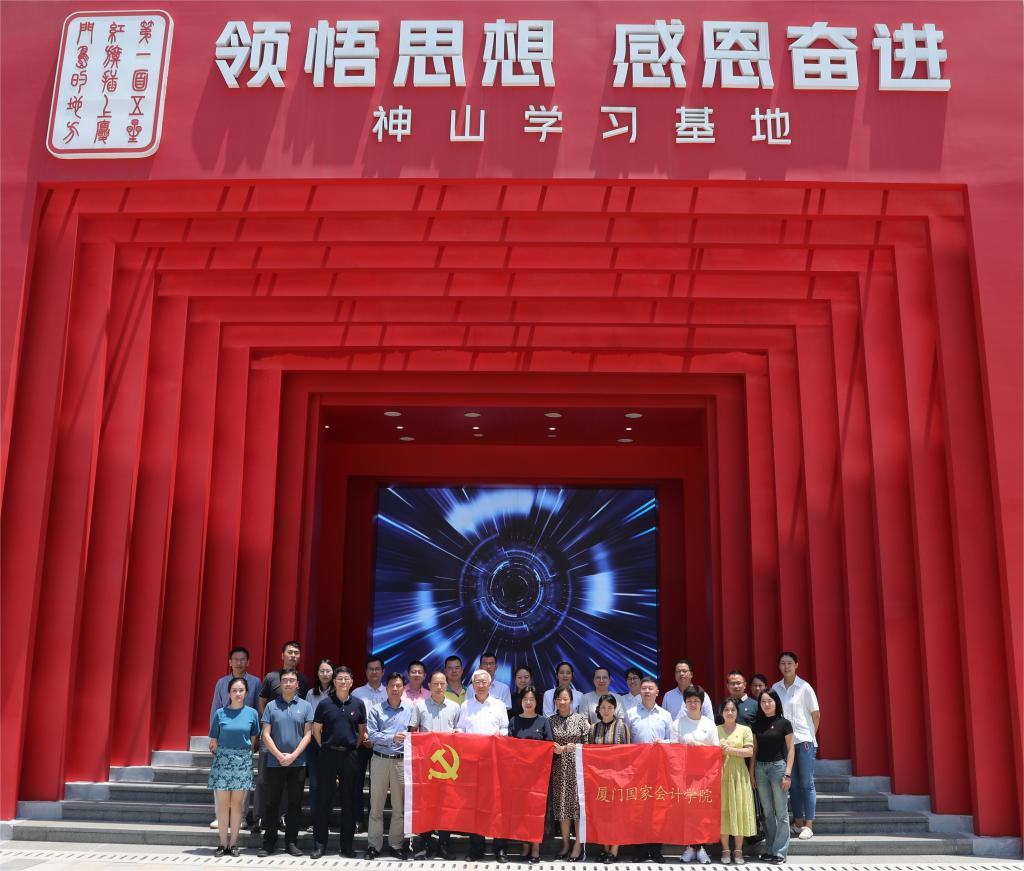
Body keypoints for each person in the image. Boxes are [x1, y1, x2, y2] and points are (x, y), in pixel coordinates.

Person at [311, 666, 366, 860]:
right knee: (323, 800)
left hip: (350, 755)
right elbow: (316, 730)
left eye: (346, 679)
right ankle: (319, 846)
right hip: (328, 754)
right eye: (339, 678)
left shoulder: (358, 704)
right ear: (334, 682)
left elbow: (361, 732)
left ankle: (347, 847)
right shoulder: (324, 704)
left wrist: (352, 748)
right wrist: (325, 747)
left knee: (348, 801)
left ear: (352, 682)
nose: (343, 682)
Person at [256, 641, 309, 838]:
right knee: (264, 779)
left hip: (293, 741)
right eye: (290, 652)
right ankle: (261, 817)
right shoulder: (271, 677)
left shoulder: (303, 680)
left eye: (296, 653)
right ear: (282, 655)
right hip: (270, 738)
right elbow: (262, 702)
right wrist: (270, 722)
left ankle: (284, 817)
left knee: (289, 783)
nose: (293, 655)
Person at [457, 669, 510, 862]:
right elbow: (461, 727)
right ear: (472, 685)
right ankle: (476, 848)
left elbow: (505, 728)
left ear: (490, 684)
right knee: (475, 805)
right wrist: (457, 732)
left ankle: (500, 848)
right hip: (473, 763)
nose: (480, 685)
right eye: (476, 682)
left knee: (498, 804)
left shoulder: (499, 705)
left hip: (495, 762)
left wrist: (500, 734)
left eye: (483, 682)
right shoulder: (466, 705)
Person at [409, 671, 461, 860]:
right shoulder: (420, 707)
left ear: (447, 685)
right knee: (426, 805)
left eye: (442, 684)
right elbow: (412, 733)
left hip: (448, 765)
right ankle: (424, 845)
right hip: (426, 765)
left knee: (446, 805)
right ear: (429, 686)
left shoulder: (455, 707)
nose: (439, 687)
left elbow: (461, 732)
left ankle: (444, 845)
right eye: (435, 684)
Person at [208, 646, 261, 832]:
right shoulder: (221, 683)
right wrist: (213, 737)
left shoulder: (255, 682)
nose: (239, 662)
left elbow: (257, 710)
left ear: (248, 662)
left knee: (242, 780)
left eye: (242, 659)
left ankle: (241, 817)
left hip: (244, 739)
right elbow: (215, 708)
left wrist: (256, 738)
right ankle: (220, 816)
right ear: (230, 662)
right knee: (221, 780)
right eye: (235, 659)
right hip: (224, 737)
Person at [365, 672, 415, 860]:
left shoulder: (410, 710)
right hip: (379, 759)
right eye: (392, 685)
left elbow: (414, 734)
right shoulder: (376, 710)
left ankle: (396, 845)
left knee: (399, 807)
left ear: (403, 688)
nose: (395, 689)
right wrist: (392, 737)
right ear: (386, 688)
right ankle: (374, 846)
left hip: (401, 761)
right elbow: (372, 735)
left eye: (398, 686)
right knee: (376, 805)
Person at [771, 652, 820, 841]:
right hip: (785, 742)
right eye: (783, 663)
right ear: (779, 666)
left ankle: (809, 825)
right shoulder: (775, 688)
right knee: (793, 783)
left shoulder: (805, 687)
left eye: (790, 663)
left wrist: (810, 737)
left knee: (807, 783)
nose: (786, 666)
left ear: (796, 665)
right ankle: (798, 822)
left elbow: (815, 714)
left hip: (804, 740)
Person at [626, 676, 673, 862]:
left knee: (657, 809)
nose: (646, 691)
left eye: (650, 688)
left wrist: (663, 743)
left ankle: (656, 850)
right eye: (644, 688)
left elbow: (673, 742)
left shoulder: (665, 715)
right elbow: (626, 742)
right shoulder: (630, 714)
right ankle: (639, 850)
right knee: (638, 809)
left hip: (659, 770)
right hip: (637, 769)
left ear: (657, 692)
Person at [674, 685, 718, 865]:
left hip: (705, 776)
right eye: (689, 701)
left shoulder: (709, 724)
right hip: (685, 775)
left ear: (702, 703)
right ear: (685, 703)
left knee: (701, 813)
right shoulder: (678, 723)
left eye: (696, 701)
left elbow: (716, 750)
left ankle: (700, 848)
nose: (693, 704)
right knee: (687, 813)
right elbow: (673, 750)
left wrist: (698, 746)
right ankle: (691, 847)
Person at [509, 686, 553, 864]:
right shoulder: (514, 721)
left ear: (537, 702)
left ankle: (535, 846)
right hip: (519, 776)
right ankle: (524, 845)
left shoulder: (543, 721)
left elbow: (549, 745)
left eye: (532, 699)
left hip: (538, 777)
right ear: (520, 701)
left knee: (536, 811)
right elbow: (508, 747)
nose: (528, 702)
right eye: (525, 699)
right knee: (521, 811)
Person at [751, 691, 795, 865]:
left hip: (778, 768)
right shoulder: (756, 724)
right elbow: (754, 750)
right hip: (760, 769)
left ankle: (781, 852)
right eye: (763, 701)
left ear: (776, 702)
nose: (766, 704)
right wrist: (752, 773)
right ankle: (770, 850)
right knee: (768, 812)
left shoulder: (784, 723)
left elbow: (791, 749)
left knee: (781, 812)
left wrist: (788, 774)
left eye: (770, 701)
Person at [549, 685, 590, 861]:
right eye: (559, 699)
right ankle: (565, 844)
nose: (562, 702)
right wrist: (555, 748)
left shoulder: (581, 720)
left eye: (565, 699)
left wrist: (575, 747)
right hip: (559, 769)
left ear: (571, 701)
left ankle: (578, 844)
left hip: (578, 769)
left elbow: (589, 745)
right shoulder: (550, 721)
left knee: (577, 808)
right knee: (562, 807)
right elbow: (545, 743)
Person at [590, 694, 630, 864]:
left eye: (610, 707)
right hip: (598, 779)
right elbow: (589, 754)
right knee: (601, 814)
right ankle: (605, 848)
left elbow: (628, 754)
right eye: (603, 708)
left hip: (617, 778)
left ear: (615, 709)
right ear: (598, 709)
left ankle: (614, 849)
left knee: (616, 815)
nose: (606, 711)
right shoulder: (593, 728)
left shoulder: (622, 727)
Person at [717, 698, 756, 865]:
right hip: (721, 774)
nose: (730, 713)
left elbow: (749, 752)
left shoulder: (745, 729)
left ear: (737, 712)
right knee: (723, 811)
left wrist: (730, 750)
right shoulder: (715, 730)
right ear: (721, 712)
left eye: (733, 710)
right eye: (726, 710)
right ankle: (725, 849)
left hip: (739, 774)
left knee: (739, 809)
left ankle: (738, 850)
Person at [352, 655, 387, 831]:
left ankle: (375, 820)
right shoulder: (357, 693)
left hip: (382, 746)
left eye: (377, 669)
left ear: (383, 671)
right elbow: (352, 719)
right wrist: (363, 736)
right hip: (361, 744)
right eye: (370, 669)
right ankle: (357, 820)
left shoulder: (389, 692)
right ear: (366, 672)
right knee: (356, 783)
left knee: (378, 786)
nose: (374, 672)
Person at [305, 659, 335, 832]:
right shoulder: (311, 693)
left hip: (332, 743)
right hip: (314, 744)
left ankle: (327, 820)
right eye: (321, 671)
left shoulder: (338, 692)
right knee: (315, 784)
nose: (325, 674)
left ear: (333, 673)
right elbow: (309, 719)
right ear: (317, 673)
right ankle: (316, 821)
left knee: (330, 783)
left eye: (328, 671)